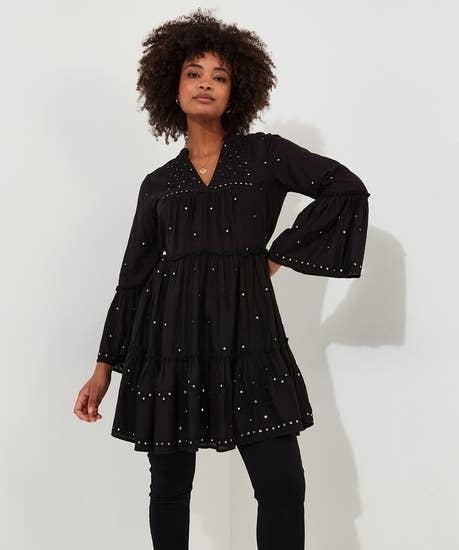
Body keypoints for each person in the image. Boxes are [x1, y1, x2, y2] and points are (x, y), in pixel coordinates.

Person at [73, 8, 370, 550]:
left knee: (283, 486)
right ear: (173, 87)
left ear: (237, 92)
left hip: (251, 339)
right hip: (169, 344)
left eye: (220, 76)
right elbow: (133, 277)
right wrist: (102, 369)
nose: (205, 83)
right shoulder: (158, 183)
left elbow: (344, 187)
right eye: (194, 73)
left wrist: (278, 255)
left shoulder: (265, 155)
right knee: (169, 488)